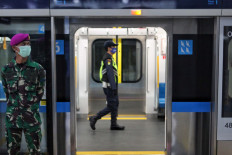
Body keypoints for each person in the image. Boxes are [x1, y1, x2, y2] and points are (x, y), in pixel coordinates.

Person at [1, 33, 46, 154]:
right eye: (24, 44)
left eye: (28, 44)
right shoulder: (6, 69)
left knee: (35, 151)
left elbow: (40, 92)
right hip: (12, 120)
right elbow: (7, 92)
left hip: (31, 119)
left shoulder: (38, 69)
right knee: (12, 151)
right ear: (15, 48)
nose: (27, 47)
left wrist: (29, 107)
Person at [89, 40, 125, 130]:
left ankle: (113, 124)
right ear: (109, 48)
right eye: (113, 47)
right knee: (111, 106)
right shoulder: (107, 58)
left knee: (115, 104)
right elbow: (109, 73)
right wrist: (113, 87)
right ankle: (95, 118)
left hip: (112, 86)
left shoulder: (110, 58)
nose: (115, 48)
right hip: (109, 86)